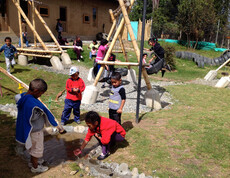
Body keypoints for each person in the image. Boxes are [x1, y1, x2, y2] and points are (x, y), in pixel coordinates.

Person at [15, 78, 63, 173]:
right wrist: (41, 112)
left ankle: (34, 162)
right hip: (35, 131)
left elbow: (18, 97)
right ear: (36, 91)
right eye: (41, 93)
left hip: (29, 130)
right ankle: (35, 167)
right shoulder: (32, 105)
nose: (41, 95)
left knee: (34, 149)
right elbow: (32, 117)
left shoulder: (23, 97)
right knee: (36, 150)